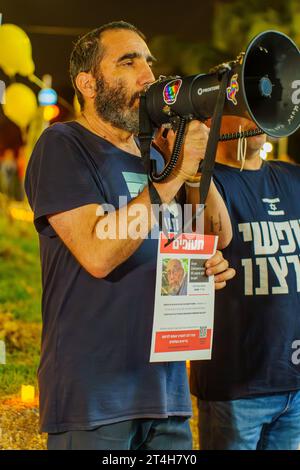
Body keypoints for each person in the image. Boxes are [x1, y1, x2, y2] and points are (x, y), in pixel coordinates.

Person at [25, 21, 235, 450]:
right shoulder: (64, 145)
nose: (148, 75)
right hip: (95, 399)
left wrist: (193, 158)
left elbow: (218, 233)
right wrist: (174, 173)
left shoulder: (158, 154)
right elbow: (98, 253)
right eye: (128, 61)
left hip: (166, 393)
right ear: (87, 83)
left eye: (148, 62)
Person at [190, 115, 300, 450]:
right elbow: (214, 238)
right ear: (214, 119)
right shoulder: (201, 181)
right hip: (235, 387)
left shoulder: (292, 176)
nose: (259, 118)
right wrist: (198, 162)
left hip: (294, 385)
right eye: (247, 109)